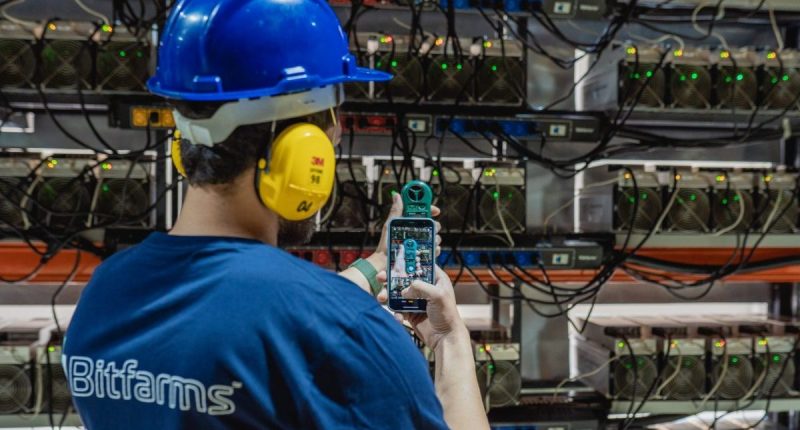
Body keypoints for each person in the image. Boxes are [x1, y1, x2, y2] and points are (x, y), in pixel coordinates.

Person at [63, 0, 489, 429]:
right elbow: (297, 328)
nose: (337, 135)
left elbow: (243, 320)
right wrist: (451, 342)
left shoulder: (106, 294)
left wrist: (376, 267)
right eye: (332, 119)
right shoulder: (351, 334)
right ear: (300, 148)